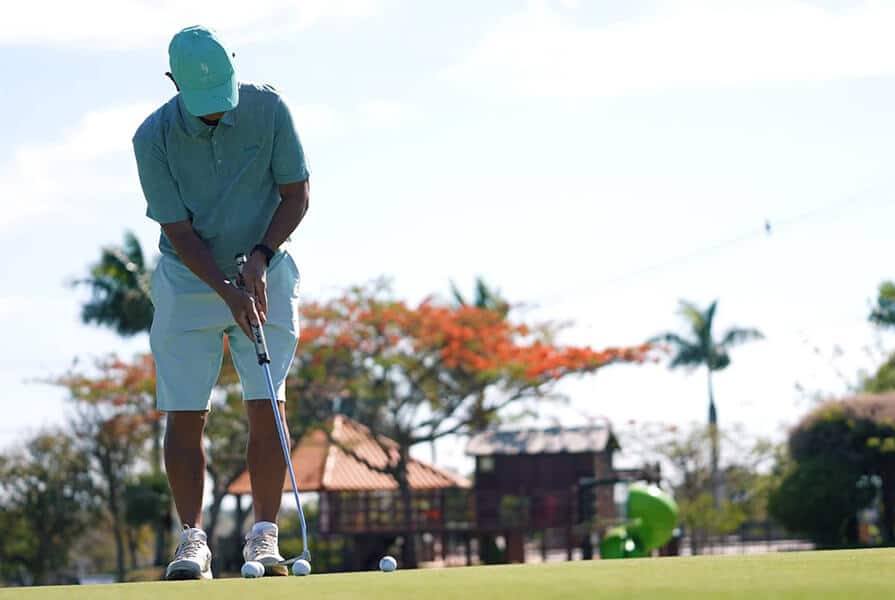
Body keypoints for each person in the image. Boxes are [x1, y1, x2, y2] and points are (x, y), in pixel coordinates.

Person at [132, 25, 310, 580]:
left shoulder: (270, 110)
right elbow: (180, 234)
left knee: (267, 403)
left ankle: (264, 538)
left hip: (266, 270)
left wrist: (260, 257)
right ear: (172, 83)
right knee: (186, 412)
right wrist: (227, 291)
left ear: (234, 67)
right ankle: (192, 542)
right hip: (189, 279)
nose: (214, 113)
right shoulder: (152, 138)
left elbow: (297, 193)